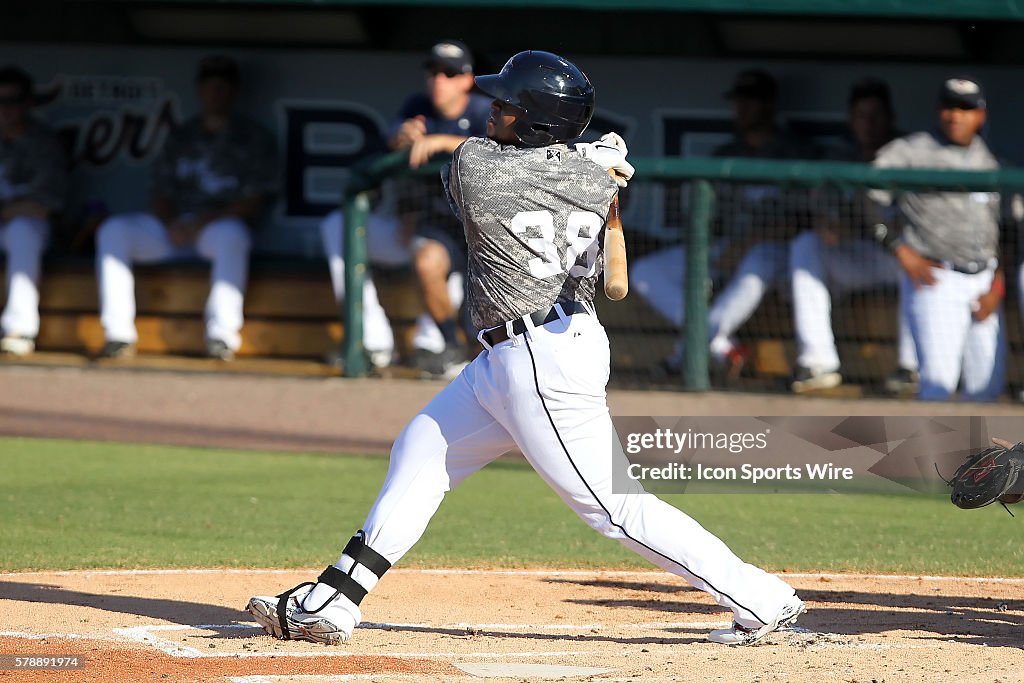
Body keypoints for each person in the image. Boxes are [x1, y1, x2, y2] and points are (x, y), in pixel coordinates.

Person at [247, 50, 805, 648]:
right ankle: (331, 601)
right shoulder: (595, 178)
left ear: (538, 121)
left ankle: (759, 597)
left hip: (543, 356)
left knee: (614, 509)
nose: (492, 110)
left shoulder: (477, 168)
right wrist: (600, 161)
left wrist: (591, 160)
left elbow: (517, 168)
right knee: (422, 447)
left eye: (508, 105)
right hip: (514, 355)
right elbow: (575, 184)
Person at [632, 69, 819, 377]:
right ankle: (721, 345)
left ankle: (684, 356)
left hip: (779, 255)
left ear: (769, 105)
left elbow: (806, 221)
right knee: (646, 271)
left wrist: (747, 244)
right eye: (739, 100)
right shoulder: (727, 154)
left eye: (751, 100)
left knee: (759, 260)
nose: (742, 108)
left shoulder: (797, 151)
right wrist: (719, 248)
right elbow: (710, 218)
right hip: (731, 247)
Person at [94, 55, 278, 360]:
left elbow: (254, 200)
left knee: (232, 234)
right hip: (176, 228)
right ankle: (117, 334)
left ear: (234, 91)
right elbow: (161, 191)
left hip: (216, 228)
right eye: (210, 85)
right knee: (114, 230)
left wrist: (203, 222)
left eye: (223, 86)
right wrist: (170, 223)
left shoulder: (254, 137)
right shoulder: (182, 135)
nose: (216, 92)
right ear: (199, 89)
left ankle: (221, 335)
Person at [872, 77, 1005, 401]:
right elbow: (867, 193)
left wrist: (998, 282)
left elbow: (1007, 229)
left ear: (980, 115)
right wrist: (898, 248)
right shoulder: (912, 150)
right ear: (938, 110)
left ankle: (977, 455)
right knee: (938, 386)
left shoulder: (988, 159)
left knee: (986, 392)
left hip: (984, 279)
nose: (955, 115)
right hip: (936, 278)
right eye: (949, 106)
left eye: (965, 108)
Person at [789, 79, 918, 394]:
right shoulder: (836, 156)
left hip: (899, 257)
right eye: (861, 115)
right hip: (857, 255)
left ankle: (912, 368)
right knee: (806, 245)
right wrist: (830, 225)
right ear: (851, 119)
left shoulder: (910, 153)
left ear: (891, 118)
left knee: (916, 254)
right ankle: (818, 362)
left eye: (876, 115)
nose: (869, 123)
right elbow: (820, 213)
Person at [387, 39, 491, 377]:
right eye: (433, 72)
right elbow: (389, 143)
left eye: (448, 73)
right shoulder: (417, 106)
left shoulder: (482, 110)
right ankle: (452, 344)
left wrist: (446, 143)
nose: (438, 80)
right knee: (425, 260)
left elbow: (504, 152)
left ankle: (485, 356)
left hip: (484, 226)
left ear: (466, 79)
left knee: (488, 310)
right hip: (439, 222)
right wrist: (402, 137)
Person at [0, 65, 68, 356]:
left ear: (27, 103)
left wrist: (6, 212)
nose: (5, 110)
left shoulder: (43, 141)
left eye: (12, 101)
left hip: (27, 227)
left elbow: (44, 205)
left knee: (23, 230)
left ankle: (19, 328)